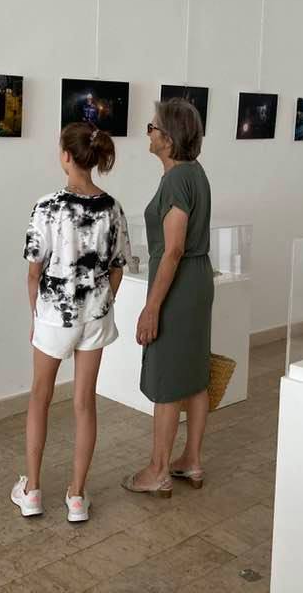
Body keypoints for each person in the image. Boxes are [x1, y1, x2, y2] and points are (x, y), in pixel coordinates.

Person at [12, 123, 131, 523]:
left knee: (40, 397)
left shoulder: (47, 206)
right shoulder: (113, 207)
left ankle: (32, 491)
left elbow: (34, 271)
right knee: (84, 402)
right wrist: (102, 302)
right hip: (95, 314)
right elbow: (118, 268)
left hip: (54, 315)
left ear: (66, 156)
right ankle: (77, 497)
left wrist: (37, 315)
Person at [123, 97, 212, 498]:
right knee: (194, 374)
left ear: (170, 137)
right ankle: (191, 460)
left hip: (178, 285)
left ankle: (158, 470)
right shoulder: (196, 173)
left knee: (168, 378)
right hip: (197, 280)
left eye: (153, 127)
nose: (149, 132)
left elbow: (173, 249)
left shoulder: (176, 180)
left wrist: (152, 307)